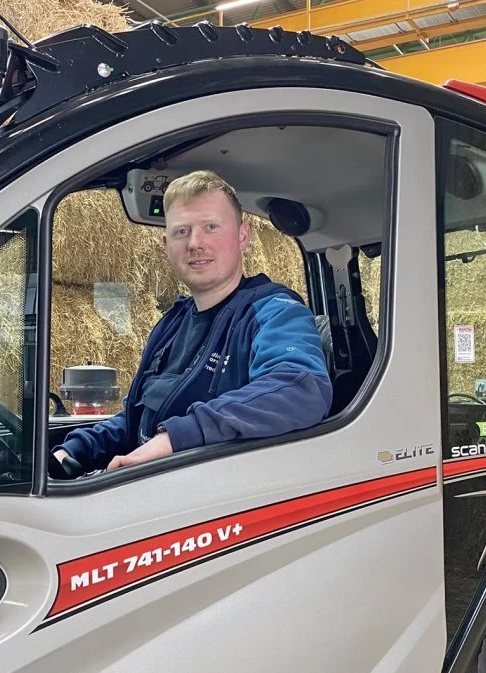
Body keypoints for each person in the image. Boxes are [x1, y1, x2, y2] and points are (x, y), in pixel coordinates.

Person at [49, 170, 333, 478]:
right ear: (166, 243)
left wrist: (173, 439)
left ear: (243, 236)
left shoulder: (273, 311)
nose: (195, 243)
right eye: (181, 232)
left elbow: (300, 387)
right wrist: (79, 447)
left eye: (211, 227)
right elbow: (140, 414)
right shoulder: (173, 323)